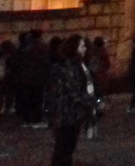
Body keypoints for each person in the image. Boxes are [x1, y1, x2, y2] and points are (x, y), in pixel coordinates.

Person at [44, 35, 96, 166]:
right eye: (82, 46)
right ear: (74, 48)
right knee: (64, 150)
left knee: (66, 150)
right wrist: (92, 103)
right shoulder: (69, 66)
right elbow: (74, 92)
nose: (85, 49)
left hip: (69, 114)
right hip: (66, 114)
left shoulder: (74, 65)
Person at [18, 30, 51, 127]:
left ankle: (27, 120)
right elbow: (45, 62)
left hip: (26, 77)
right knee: (37, 100)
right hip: (38, 78)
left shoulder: (25, 46)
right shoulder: (42, 46)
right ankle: (36, 120)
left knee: (28, 100)